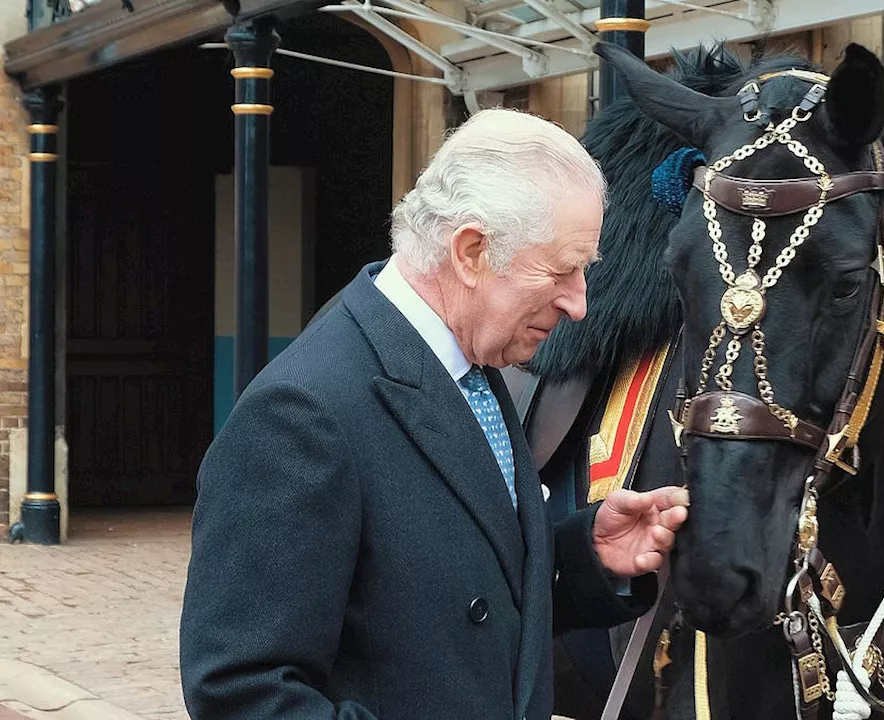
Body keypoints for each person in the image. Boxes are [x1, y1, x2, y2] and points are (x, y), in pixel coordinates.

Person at [179, 108, 689, 720]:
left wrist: (583, 557)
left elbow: (444, 594)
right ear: (471, 251)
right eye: (561, 270)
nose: (580, 303)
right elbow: (242, 691)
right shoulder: (300, 415)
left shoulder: (472, 364)